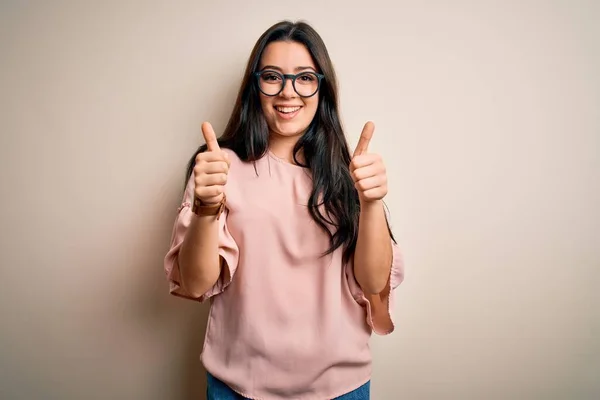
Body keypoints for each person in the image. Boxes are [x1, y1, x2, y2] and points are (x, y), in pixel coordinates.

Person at [164, 20, 404, 400]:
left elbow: (373, 283)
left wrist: (371, 203)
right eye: (273, 76)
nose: (288, 92)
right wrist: (206, 209)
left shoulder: (349, 171)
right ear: (254, 86)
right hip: (238, 388)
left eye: (304, 77)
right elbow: (194, 283)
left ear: (321, 88)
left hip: (340, 388)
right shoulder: (218, 166)